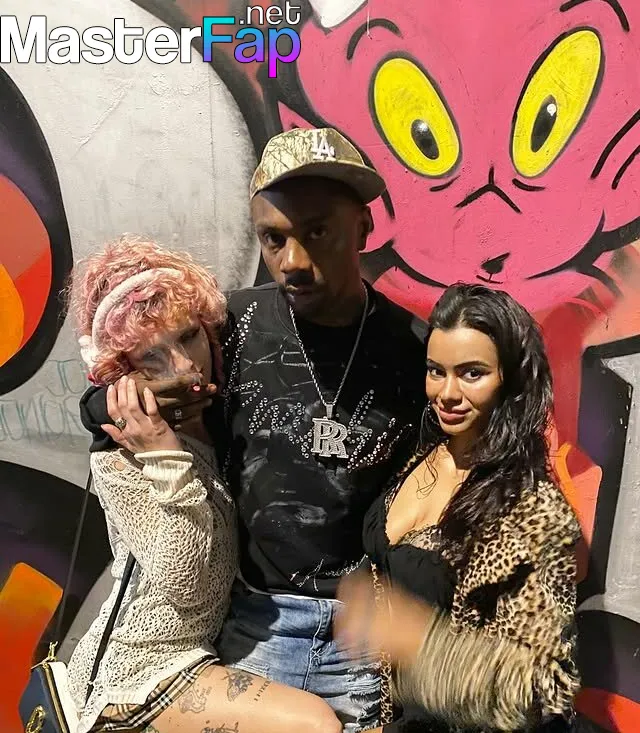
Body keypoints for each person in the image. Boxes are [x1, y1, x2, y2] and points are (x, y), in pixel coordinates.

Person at [77, 127, 427, 731]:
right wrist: (117, 403)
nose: (293, 261)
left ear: (363, 227)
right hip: (253, 627)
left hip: (361, 642)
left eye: (317, 232)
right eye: (274, 238)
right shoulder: (231, 326)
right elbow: (107, 398)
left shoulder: (413, 350)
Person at [66, 237, 342, 733]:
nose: (183, 367)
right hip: (140, 671)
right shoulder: (123, 452)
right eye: (152, 357)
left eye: (189, 336)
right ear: (124, 374)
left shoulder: (215, 412)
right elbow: (186, 583)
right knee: (315, 724)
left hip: (206, 653)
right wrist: (163, 455)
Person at [336, 283, 582, 732]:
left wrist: (421, 643)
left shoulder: (535, 512)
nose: (446, 393)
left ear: (511, 380)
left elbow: (543, 690)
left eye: (472, 373)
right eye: (436, 371)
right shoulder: (424, 454)